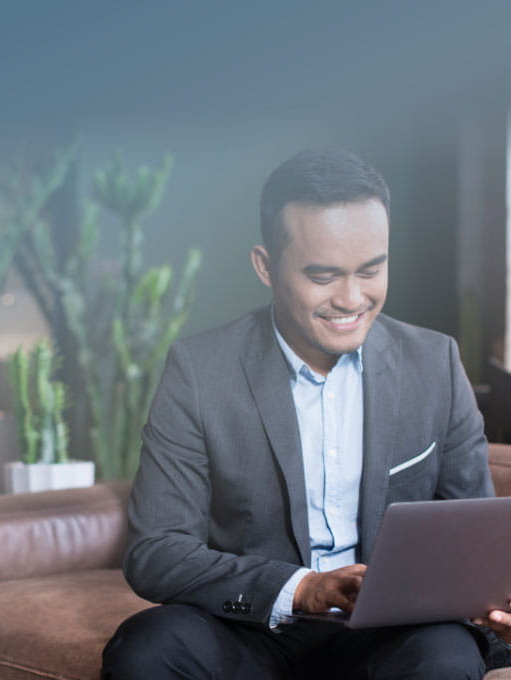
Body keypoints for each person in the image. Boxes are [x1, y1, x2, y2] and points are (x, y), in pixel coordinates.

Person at [102, 149, 511, 679]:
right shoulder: (200, 371)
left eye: (371, 270)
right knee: (147, 647)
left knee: (444, 657)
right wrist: (304, 589)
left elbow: (474, 541)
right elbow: (156, 551)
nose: (351, 299)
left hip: (388, 639)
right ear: (266, 266)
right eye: (323, 276)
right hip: (252, 632)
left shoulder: (434, 363)